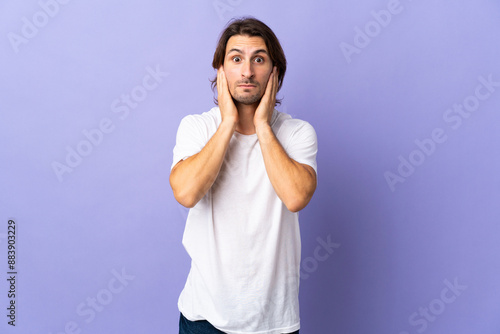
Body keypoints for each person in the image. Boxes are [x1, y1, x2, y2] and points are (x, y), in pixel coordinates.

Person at [170, 17, 318, 334]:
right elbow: (185, 193)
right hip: (204, 319)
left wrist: (263, 125)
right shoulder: (197, 127)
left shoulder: (297, 133)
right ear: (221, 71)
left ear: (274, 72)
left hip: (274, 323)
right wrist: (227, 124)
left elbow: (295, 197)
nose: (247, 71)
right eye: (236, 59)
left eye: (259, 60)